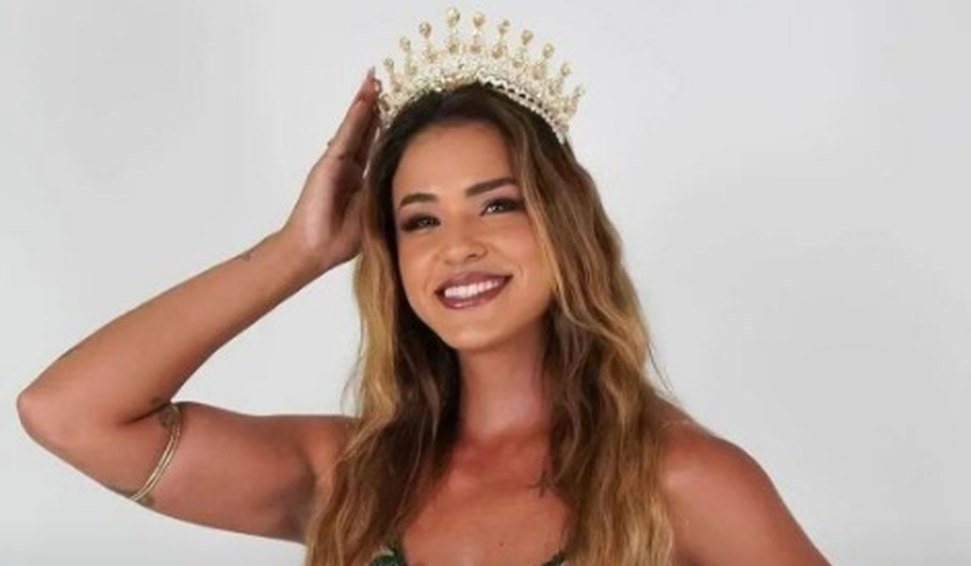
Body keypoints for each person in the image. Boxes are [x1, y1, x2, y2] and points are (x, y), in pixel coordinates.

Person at [16, 8, 830, 566]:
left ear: (562, 222)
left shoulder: (678, 481)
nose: (457, 247)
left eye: (497, 204)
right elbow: (68, 413)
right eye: (419, 220)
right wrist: (297, 250)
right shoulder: (348, 476)